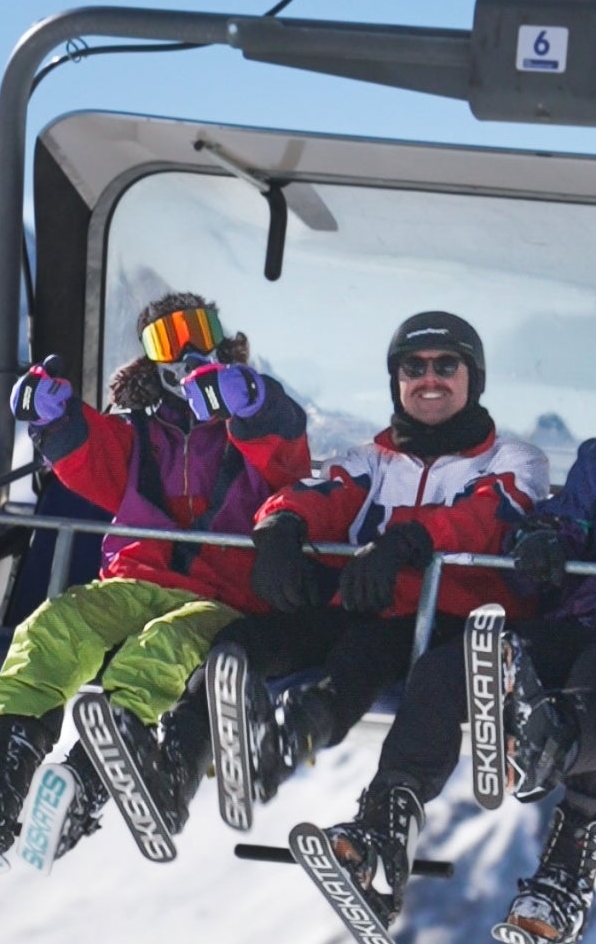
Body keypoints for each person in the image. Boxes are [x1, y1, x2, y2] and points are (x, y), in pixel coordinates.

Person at [304, 313, 596, 944]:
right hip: (584, 613)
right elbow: (566, 517)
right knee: (447, 665)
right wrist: (543, 538)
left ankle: (567, 868)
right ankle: (387, 821)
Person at [0, 292, 309, 857]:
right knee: (54, 627)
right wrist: (54, 419)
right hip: (135, 583)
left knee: (161, 650)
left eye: (197, 329)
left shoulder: (250, 429)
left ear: (221, 337)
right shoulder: (142, 433)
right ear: (150, 360)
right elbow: (89, 457)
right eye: (168, 340)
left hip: (223, 596)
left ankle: (86, 784)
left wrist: (252, 405)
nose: (186, 350)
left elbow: (288, 455)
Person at [190, 311, 549, 813]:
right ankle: (182, 752)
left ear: (474, 379)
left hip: (453, 620)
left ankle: (296, 734)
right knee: (247, 639)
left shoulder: (513, 459)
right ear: (395, 380)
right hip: (366, 600)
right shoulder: (373, 459)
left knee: (363, 653)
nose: (429, 379)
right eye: (412, 367)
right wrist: (281, 525)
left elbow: (487, 515)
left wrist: (406, 543)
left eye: (446, 366)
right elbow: (326, 493)